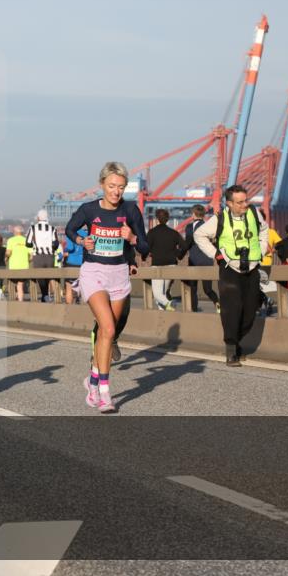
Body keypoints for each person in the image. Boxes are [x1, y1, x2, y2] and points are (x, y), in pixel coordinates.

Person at [65, 162, 149, 412]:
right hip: (94, 272)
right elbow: (70, 229)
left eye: (121, 187)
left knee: (107, 333)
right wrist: (82, 241)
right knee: (109, 327)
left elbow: (145, 247)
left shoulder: (130, 210)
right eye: (112, 186)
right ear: (102, 184)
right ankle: (104, 393)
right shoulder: (89, 210)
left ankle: (92, 382)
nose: (116, 191)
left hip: (119, 275)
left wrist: (132, 238)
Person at [193, 185, 270, 366]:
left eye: (246, 200)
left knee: (250, 311)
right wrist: (216, 254)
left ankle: (236, 342)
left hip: (252, 268)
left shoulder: (253, 213)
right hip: (230, 269)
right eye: (240, 202)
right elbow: (199, 235)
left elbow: (264, 230)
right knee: (231, 311)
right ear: (229, 203)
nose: (245, 204)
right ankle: (231, 349)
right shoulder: (219, 219)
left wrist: (261, 249)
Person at [183, 204, 221, 313]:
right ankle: (217, 303)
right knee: (207, 289)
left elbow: (188, 243)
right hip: (207, 261)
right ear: (203, 215)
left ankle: (194, 310)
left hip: (194, 260)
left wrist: (180, 253)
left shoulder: (189, 227)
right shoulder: (208, 226)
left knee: (193, 288)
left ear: (193, 214)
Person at [146, 208, 184, 311]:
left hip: (157, 265)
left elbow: (146, 248)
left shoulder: (152, 232)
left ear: (157, 219)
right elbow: (184, 246)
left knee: (157, 294)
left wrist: (146, 255)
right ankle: (164, 314)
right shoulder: (174, 233)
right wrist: (178, 254)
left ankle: (170, 303)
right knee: (163, 293)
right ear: (167, 219)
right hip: (171, 265)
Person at [25, 209, 59, 302]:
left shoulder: (33, 228)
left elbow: (27, 243)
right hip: (50, 256)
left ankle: (45, 294)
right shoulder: (52, 228)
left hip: (38, 256)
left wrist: (35, 245)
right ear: (47, 217)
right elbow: (56, 244)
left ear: (38, 218)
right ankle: (46, 295)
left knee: (40, 276)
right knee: (48, 276)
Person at [63, 226, 88, 305]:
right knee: (82, 286)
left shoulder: (71, 233)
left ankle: (69, 308)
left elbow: (70, 247)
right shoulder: (86, 233)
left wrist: (65, 250)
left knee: (69, 287)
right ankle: (81, 306)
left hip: (72, 262)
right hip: (82, 263)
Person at [6, 226, 30, 301]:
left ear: (14, 232)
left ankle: (15, 301)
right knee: (20, 284)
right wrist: (27, 260)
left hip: (13, 266)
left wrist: (6, 257)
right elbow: (32, 256)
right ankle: (20, 301)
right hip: (24, 266)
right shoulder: (27, 240)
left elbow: (8, 253)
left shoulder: (10, 240)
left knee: (12, 284)